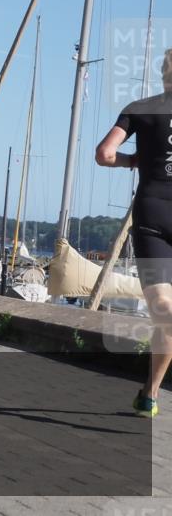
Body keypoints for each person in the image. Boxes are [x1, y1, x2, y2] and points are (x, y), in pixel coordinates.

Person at [95, 48, 172, 418]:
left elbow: (105, 153)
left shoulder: (140, 107)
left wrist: (132, 161)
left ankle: (151, 392)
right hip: (156, 219)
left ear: (164, 74)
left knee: (164, 313)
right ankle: (150, 392)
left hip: (152, 217)